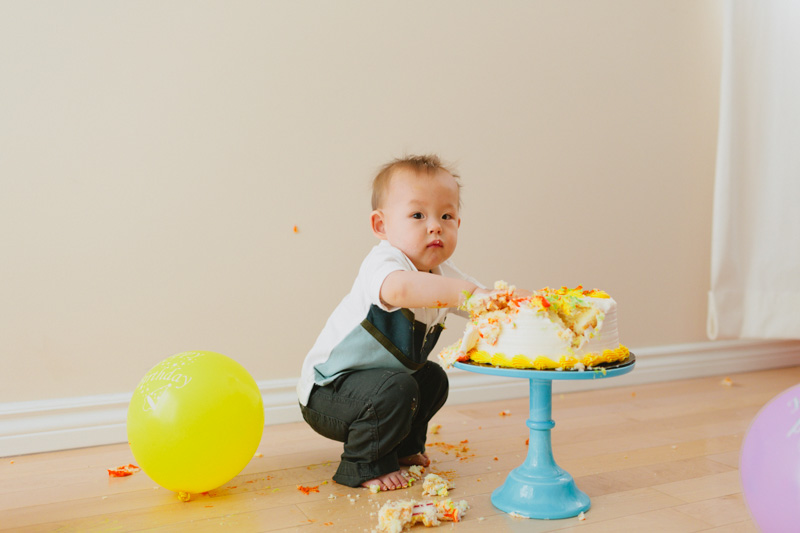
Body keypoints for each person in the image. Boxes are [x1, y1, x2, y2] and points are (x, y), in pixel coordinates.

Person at [297, 154, 491, 492]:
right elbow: (400, 288)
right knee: (397, 387)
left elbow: (482, 301)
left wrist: (515, 302)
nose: (435, 225)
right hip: (328, 392)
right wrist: (468, 293)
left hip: (376, 387)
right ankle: (363, 463)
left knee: (431, 378)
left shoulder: (442, 275)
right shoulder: (384, 263)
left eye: (447, 215)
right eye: (418, 215)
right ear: (381, 226)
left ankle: (403, 448)